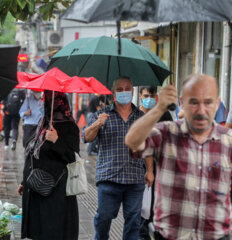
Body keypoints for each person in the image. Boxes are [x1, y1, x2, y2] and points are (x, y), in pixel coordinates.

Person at [125, 74, 232, 240]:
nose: (201, 110)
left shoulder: (228, 141)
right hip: (171, 235)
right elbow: (132, 142)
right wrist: (159, 108)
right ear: (182, 102)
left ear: (217, 104)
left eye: (208, 102)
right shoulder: (166, 133)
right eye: (194, 102)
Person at [82, 76, 145, 240]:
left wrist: (150, 171)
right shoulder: (101, 114)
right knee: (103, 219)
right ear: (114, 92)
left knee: (133, 222)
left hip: (135, 177)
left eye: (127, 88)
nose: (124, 92)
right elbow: (86, 138)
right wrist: (97, 124)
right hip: (109, 177)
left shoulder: (141, 117)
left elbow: (149, 148)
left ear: (132, 91)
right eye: (120, 89)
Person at [18, 90, 79, 240]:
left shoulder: (69, 127)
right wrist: (24, 181)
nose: (42, 101)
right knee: (38, 230)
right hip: (37, 187)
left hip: (55, 191)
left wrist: (56, 141)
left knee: (52, 230)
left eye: (46, 98)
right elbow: (33, 152)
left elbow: (72, 157)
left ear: (57, 101)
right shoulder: (44, 122)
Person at [138, 86, 173, 240]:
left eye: (151, 96)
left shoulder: (163, 114)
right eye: (146, 95)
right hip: (137, 168)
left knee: (154, 206)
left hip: (159, 167)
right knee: (140, 209)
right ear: (139, 95)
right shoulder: (134, 114)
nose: (149, 99)